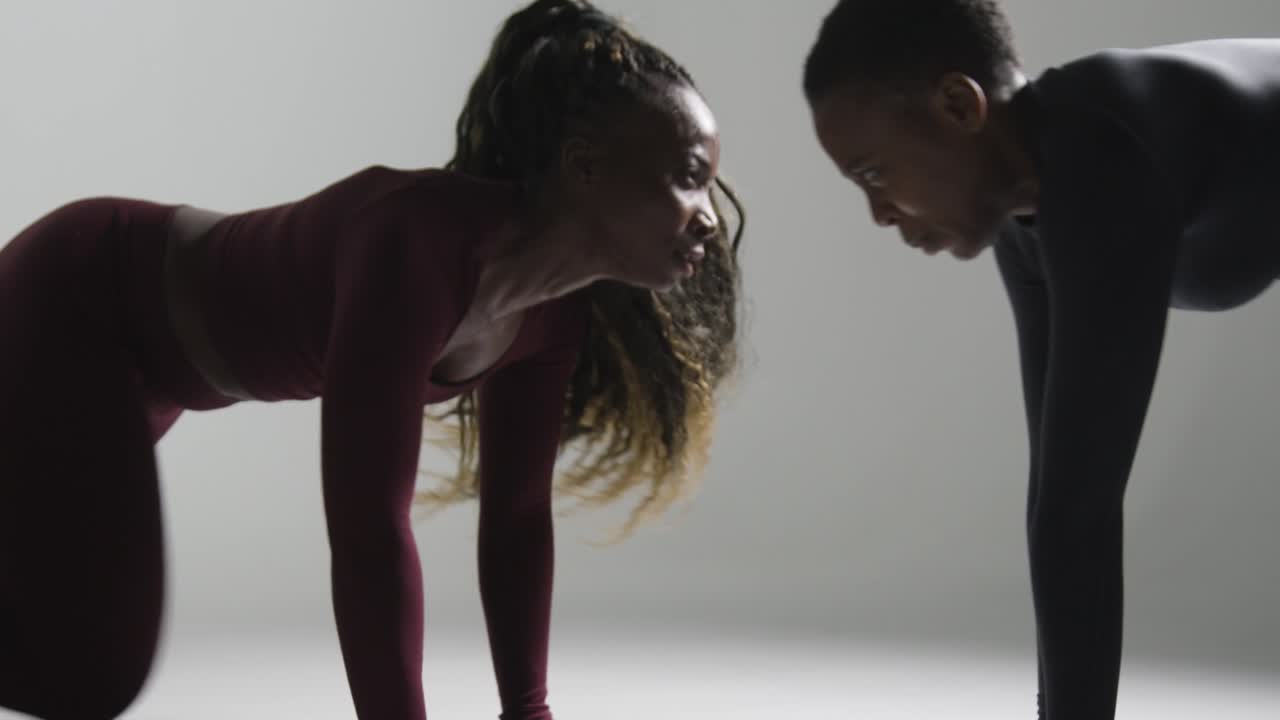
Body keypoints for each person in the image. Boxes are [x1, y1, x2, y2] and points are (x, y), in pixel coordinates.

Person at [0, 0, 744, 718]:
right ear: (585, 168)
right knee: (92, 672)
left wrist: (529, 712)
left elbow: (516, 520)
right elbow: (368, 529)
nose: (708, 215)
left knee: (61, 632)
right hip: (80, 302)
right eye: (686, 175)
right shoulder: (412, 248)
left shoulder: (550, 317)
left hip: (155, 380)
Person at [804, 1, 1280, 718]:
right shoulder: (1026, 215)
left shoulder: (1101, 162)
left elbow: (1078, 518)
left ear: (959, 106)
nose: (879, 213)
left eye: (874, 173)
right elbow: (1057, 496)